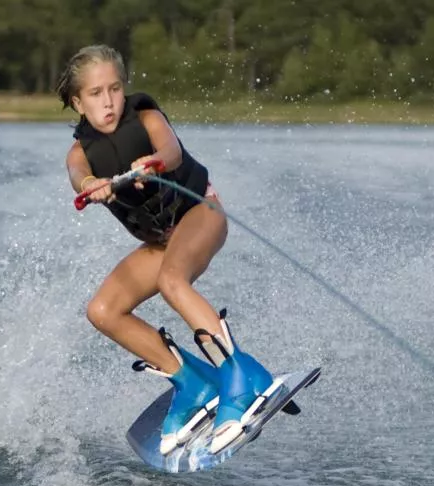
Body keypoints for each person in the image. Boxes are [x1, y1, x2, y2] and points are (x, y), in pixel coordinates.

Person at [59, 44, 276, 455]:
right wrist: (91, 186)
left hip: (201, 214)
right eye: (94, 93)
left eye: (115, 89)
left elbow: (171, 150)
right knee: (103, 311)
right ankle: (191, 383)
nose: (108, 101)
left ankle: (240, 376)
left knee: (171, 280)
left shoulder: (146, 117)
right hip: (160, 241)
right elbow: (78, 176)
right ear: (77, 101)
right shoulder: (80, 154)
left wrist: (154, 162)